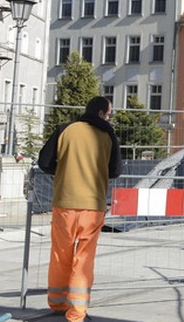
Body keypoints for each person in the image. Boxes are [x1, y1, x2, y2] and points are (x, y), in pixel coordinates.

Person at [39, 96, 122, 322]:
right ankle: (76, 313)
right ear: (102, 113)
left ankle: (57, 302)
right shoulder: (108, 136)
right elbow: (115, 170)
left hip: (64, 203)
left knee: (60, 254)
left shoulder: (66, 129)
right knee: (83, 258)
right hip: (92, 206)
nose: (110, 117)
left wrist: (64, 169)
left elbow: (44, 162)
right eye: (110, 113)